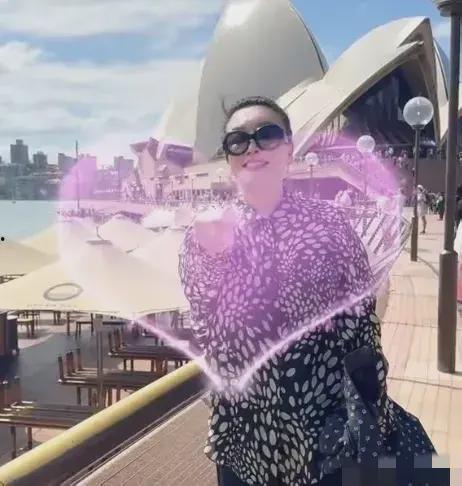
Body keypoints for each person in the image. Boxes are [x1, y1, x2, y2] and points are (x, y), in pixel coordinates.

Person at [179, 97, 438, 485]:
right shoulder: (205, 232)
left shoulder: (329, 223)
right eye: (238, 140)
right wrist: (208, 253)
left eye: (267, 135)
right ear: (229, 158)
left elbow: (362, 324)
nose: (252, 147)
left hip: (324, 432)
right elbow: (203, 320)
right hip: (243, 434)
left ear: (289, 150)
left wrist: (366, 414)